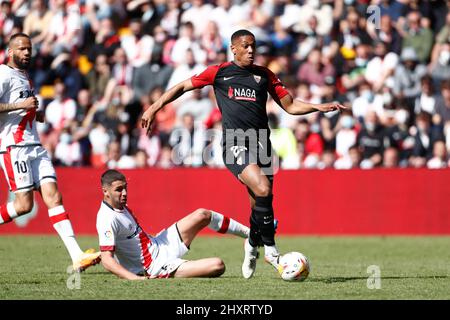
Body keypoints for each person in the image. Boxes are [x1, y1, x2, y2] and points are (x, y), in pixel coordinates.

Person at [141, 29, 345, 279]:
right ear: (233, 48)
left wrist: (317, 107)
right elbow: (183, 86)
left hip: (262, 144)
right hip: (234, 142)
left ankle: (251, 244)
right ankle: (271, 251)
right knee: (263, 189)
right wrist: (154, 106)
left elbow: (290, 105)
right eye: (246, 46)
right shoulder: (219, 72)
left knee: (260, 203)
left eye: (253, 46)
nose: (251, 50)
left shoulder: (264, 75)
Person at [0, 33, 101, 272]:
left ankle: (77, 255)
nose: (27, 53)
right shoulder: (3, 74)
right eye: (22, 49)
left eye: (29, 49)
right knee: (24, 205)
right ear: (11, 51)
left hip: (35, 145)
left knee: (54, 198)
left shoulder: (24, 75)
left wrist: (36, 114)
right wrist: (20, 106)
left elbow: (23, 108)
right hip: (15, 148)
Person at [97, 169, 250, 280]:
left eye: (125, 188)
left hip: (159, 244)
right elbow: (107, 260)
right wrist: (134, 278)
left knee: (202, 214)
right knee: (217, 265)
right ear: (105, 191)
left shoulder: (120, 206)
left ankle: (252, 234)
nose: (124, 193)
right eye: (119, 190)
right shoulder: (106, 218)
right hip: (154, 266)